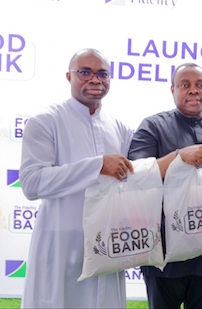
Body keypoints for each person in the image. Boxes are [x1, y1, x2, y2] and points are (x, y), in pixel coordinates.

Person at [19, 48, 135, 308]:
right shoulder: (46, 121)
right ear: (69, 77)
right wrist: (97, 166)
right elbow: (32, 183)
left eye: (102, 73)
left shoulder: (120, 127)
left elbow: (138, 177)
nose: (95, 80)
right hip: (61, 242)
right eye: (85, 72)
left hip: (107, 243)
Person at [127, 62, 202, 309]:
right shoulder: (152, 127)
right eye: (185, 85)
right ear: (172, 89)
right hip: (164, 252)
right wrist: (178, 156)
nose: (194, 90)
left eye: (200, 85)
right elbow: (137, 176)